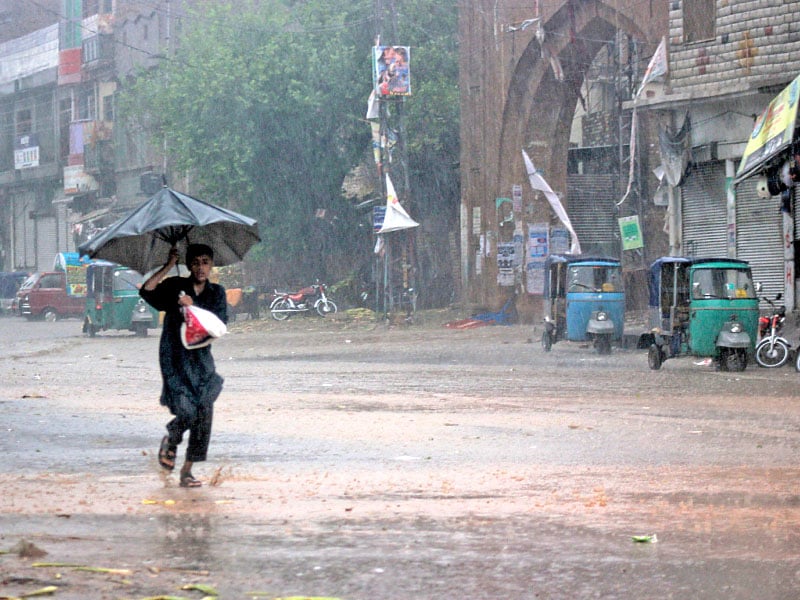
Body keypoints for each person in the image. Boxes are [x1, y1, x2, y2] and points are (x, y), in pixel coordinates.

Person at [140, 243, 227, 488]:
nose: (201, 268)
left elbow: (219, 324)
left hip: (202, 362)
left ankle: (187, 471)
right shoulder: (175, 287)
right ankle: (171, 439)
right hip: (175, 359)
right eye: (196, 262)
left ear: (211, 265)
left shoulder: (216, 293)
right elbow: (147, 291)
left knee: (204, 412)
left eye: (205, 262)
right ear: (189, 265)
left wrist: (193, 308)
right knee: (187, 411)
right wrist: (168, 265)